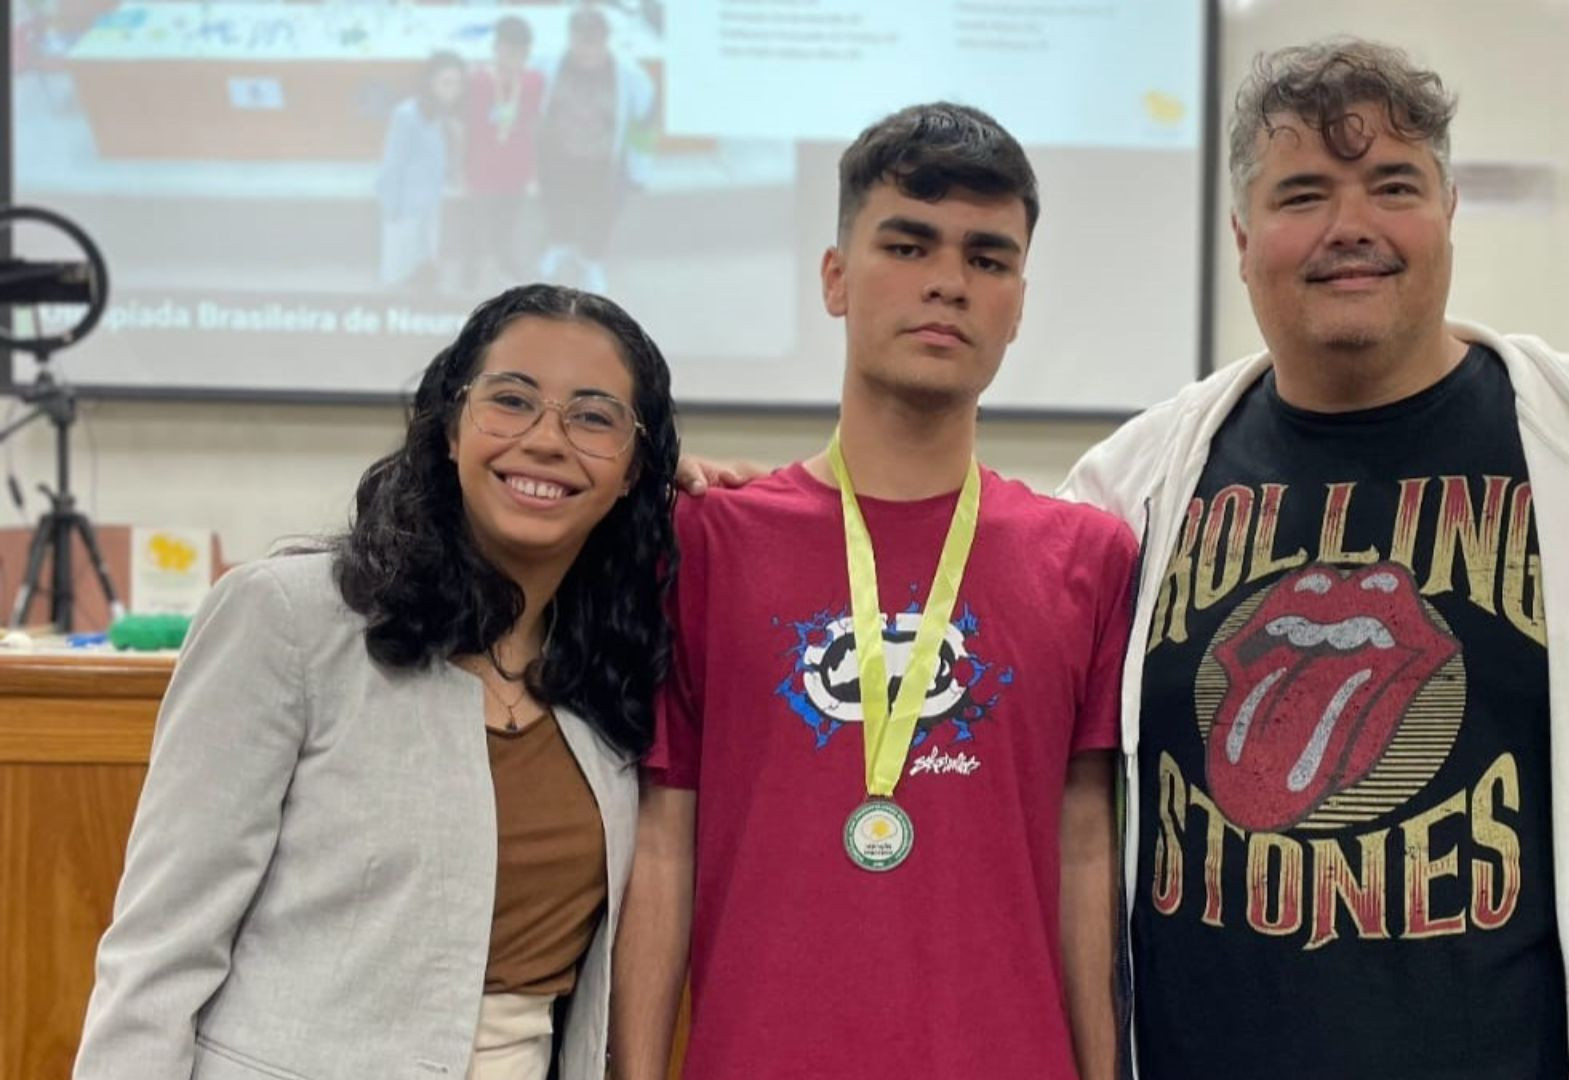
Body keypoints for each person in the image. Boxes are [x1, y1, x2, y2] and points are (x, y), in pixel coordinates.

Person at [1059, 38, 1569, 1080]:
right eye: (1303, 195)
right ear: (1242, 236)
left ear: (1449, 210)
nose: (1351, 228)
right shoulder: (1129, 490)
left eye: (1392, 185)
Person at [612, 103, 1134, 1080]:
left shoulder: (1088, 559)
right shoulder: (707, 543)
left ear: (1019, 300)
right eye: (908, 243)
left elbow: (1085, 853)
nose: (948, 281)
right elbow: (662, 847)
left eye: (989, 258)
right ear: (835, 279)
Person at [73, 284, 681, 1080]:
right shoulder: (288, 618)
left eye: (594, 417)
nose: (546, 439)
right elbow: (160, 948)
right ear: (451, 428)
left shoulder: (613, 664)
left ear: (635, 467)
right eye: (511, 400)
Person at [535, 6, 655, 295]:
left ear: (605, 39)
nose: (587, 48)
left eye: (594, 41)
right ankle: (558, 246)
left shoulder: (633, 78)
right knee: (557, 207)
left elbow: (643, 128)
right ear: (571, 38)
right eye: (581, 40)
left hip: (604, 164)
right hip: (558, 157)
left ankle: (591, 260)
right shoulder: (547, 66)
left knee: (600, 216)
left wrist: (640, 170)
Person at [462, 15, 545, 289]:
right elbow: (469, 125)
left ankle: (505, 260)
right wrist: (464, 168)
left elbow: (532, 125)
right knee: (478, 221)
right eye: (507, 50)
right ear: (496, 48)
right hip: (482, 166)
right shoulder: (478, 81)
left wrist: (532, 171)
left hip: (516, 167)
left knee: (508, 220)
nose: (512, 58)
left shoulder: (533, 82)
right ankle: (473, 267)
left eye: (519, 52)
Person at [377, 50, 466, 290]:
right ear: (430, 83)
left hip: (434, 207)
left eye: (457, 84)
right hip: (405, 208)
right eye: (446, 83)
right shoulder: (407, 114)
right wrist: (392, 208)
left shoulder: (448, 117)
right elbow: (392, 164)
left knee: (427, 274)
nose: (452, 90)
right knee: (399, 276)